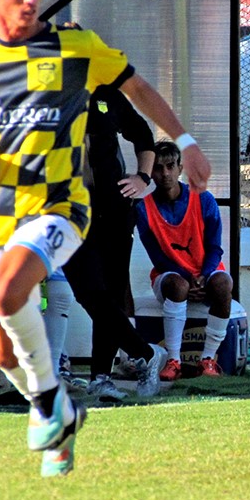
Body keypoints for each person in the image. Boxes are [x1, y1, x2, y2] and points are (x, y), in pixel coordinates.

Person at [0, 0, 211, 477]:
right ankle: (55, 407)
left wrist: (182, 141)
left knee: (8, 289)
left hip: (63, 207)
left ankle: (49, 408)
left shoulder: (74, 46)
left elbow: (137, 90)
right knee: (1, 351)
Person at [62, 83, 164, 403]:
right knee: (89, 291)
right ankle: (145, 353)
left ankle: (101, 377)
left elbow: (142, 135)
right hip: (69, 212)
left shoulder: (106, 95)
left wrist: (142, 178)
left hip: (115, 211)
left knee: (111, 291)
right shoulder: (43, 95)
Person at [134, 139, 233, 380]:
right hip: (171, 276)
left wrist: (203, 276)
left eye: (170, 166)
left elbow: (214, 248)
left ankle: (208, 359)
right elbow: (157, 257)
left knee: (224, 284)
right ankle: (174, 360)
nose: (165, 173)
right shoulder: (143, 208)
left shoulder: (204, 199)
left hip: (204, 273)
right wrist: (189, 279)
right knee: (177, 286)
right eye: (158, 167)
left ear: (180, 168)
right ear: (151, 172)